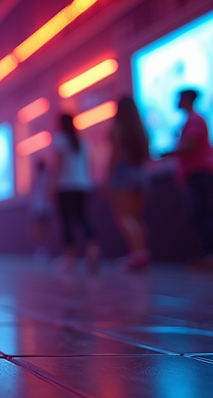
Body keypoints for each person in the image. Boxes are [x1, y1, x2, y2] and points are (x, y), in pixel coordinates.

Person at [162, 89, 213, 271]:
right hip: (194, 174)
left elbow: (191, 145)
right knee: (200, 214)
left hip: (199, 172)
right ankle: (211, 253)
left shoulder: (194, 119)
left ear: (186, 99)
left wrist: (168, 152)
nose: (176, 101)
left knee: (204, 213)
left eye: (179, 98)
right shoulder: (189, 121)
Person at [107, 96, 152, 271]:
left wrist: (107, 179)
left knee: (125, 217)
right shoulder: (141, 131)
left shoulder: (118, 130)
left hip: (124, 174)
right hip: (141, 175)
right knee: (136, 218)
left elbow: (114, 157)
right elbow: (147, 156)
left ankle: (137, 255)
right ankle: (141, 253)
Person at [53, 113, 100, 272]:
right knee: (83, 219)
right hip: (83, 186)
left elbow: (58, 166)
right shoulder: (83, 142)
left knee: (66, 222)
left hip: (66, 186)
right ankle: (93, 251)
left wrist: (53, 186)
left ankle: (69, 260)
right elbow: (90, 165)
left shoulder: (60, 140)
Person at [28, 160, 53, 261]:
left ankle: (45, 250)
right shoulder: (37, 178)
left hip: (44, 206)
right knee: (39, 229)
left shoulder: (47, 177)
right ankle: (41, 250)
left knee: (43, 229)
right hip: (39, 206)